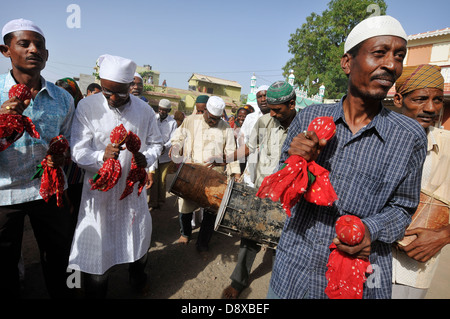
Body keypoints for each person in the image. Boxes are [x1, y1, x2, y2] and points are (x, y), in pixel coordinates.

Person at [267, 15, 427, 299]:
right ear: (347, 62)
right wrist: (297, 166)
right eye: (380, 53)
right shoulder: (310, 117)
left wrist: (369, 229)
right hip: (295, 266)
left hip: (360, 273)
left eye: (399, 56)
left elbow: (403, 208)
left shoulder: (410, 136)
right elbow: (283, 189)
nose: (391, 65)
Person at [69, 54, 163, 298]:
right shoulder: (87, 107)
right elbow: (77, 151)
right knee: (97, 262)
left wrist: (147, 158)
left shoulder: (144, 110)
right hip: (99, 195)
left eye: (119, 93)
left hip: (131, 193)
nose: (112, 98)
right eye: (106, 91)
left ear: (130, 86)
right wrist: (102, 156)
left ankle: (138, 280)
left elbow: (156, 143)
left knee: (138, 247)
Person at [0, 18, 75, 298]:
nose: (33, 50)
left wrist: (62, 154)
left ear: (47, 55)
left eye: (39, 45)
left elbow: (69, 142)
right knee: (5, 264)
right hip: (4, 195)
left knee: (58, 256)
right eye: (24, 44)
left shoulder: (63, 98)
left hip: (50, 191)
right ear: (5, 50)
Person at [222, 81, 297, 299]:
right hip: (263, 187)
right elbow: (249, 147)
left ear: (291, 104)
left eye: (277, 110)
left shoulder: (305, 124)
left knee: (286, 240)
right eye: (270, 109)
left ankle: (283, 286)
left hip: (290, 195)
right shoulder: (265, 121)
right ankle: (238, 281)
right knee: (250, 234)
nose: (271, 113)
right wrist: (223, 158)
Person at [391, 64, 450, 299]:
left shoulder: (446, 146)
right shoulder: (376, 141)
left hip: (412, 272)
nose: (431, 108)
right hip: (365, 260)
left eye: (438, 100)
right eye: (421, 99)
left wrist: (444, 235)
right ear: (398, 99)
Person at [169, 96, 240, 251]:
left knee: (211, 210)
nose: (213, 121)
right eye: (210, 117)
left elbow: (230, 151)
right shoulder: (191, 121)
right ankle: (185, 234)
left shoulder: (226, 127)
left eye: (216, 119)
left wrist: (235, 173)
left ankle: (203, 242)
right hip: (191, 172)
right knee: (185, 207)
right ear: (205, 111)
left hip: (214, 175)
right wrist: (175, 147)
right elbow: (178, 137)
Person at [55, 77, 85, 235]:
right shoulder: (54, 109)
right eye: (59, 93)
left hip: (76, 168)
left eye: (67, 93)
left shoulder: (83, 112)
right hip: (56, 164)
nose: (63, 97)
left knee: (75, 205)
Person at [147, 99, 177, 210]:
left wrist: (165, 146)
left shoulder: (172, 123)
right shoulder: (153, 119)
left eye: (164, 110)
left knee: (163, 179)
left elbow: (173, 138)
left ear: (168, 110)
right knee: (153, 178)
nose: (162, 111)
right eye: (160, 109)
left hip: (165, 156)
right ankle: (153, 201)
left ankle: (161, 200)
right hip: (154, 155)